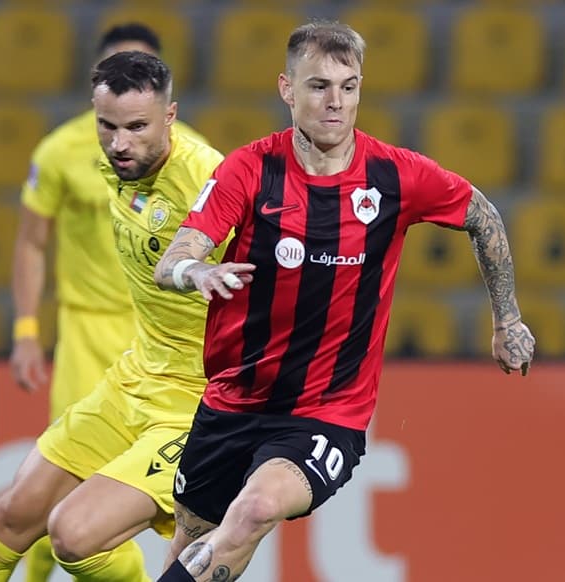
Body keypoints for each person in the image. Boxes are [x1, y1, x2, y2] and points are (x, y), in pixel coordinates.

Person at [152, 19, 536, 581]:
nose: (336, 102)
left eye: (348, 86)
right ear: (287, 88)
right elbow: (175, 258)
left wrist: (509, 319)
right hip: (233, 399)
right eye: (318, 86)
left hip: (328, 412)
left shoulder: (394, 176)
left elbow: (482, 215)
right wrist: (194, 271)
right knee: (194, 537)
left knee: (255, 509)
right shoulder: (250, 168)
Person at [0, 52, 225, 582]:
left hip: (199, 404)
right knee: (10, 517)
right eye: (107, 126)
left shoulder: (211, 178)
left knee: (73, 536)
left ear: (171, 116)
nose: (119, 143)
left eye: (137, 127)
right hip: (135, 379)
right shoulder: (109, 165)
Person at [9, 23, 207, 582]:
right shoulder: (62, 151)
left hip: (167, 345)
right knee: (51, 499)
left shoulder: (192, 162)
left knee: (137, 508)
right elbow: (30, 240)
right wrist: (27, 328)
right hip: (87, 334)